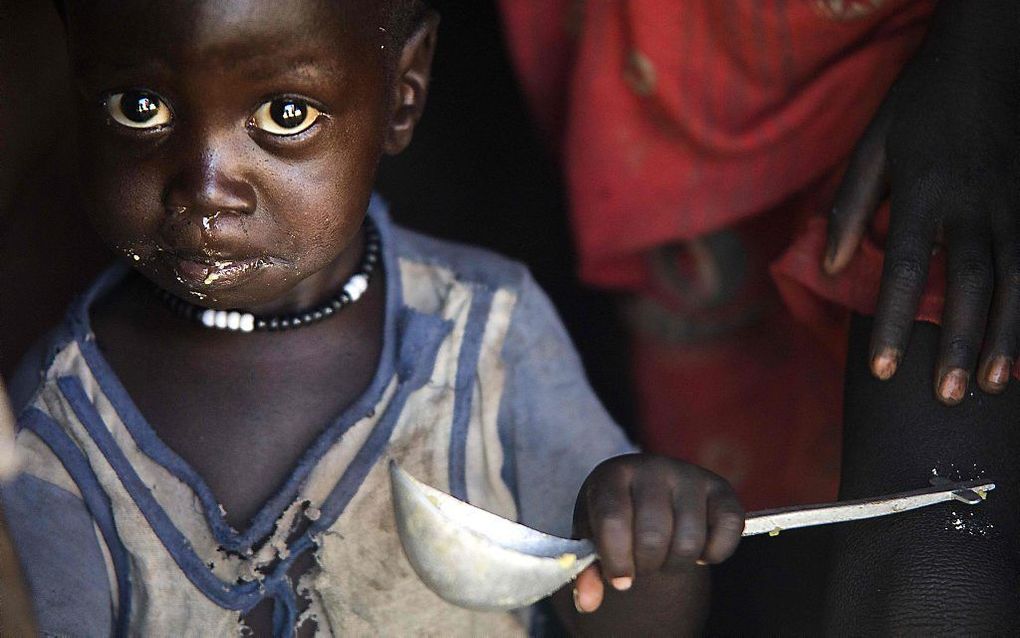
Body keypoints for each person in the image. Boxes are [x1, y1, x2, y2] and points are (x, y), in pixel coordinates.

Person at [0, 1, 747, 635]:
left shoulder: (486, 332)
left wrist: (646, 538)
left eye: (284, 114)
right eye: (141, 107)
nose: (205, 188)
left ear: (404, 92)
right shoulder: (51, 421)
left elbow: (619, 612)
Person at [499, 0, 1019, 630]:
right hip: (691, 68)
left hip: (947, 69)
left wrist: (982, 53)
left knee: (932, 553)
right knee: (750, 505)